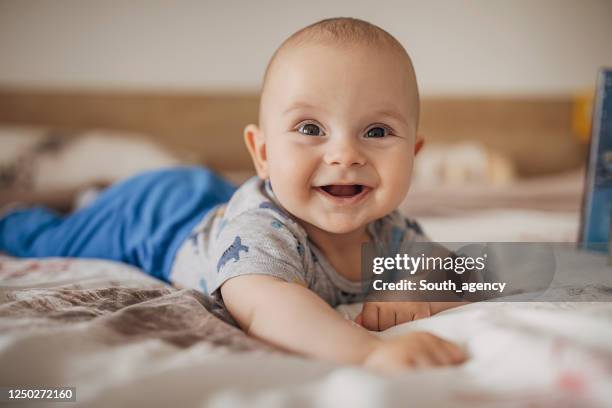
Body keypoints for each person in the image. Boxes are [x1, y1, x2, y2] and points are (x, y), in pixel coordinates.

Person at [0, 17, 467, 372]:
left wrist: (415, 286)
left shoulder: (389, 229)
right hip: (156, 216)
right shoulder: (263, 232)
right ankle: (28, 212)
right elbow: (268, 307)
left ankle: (90, 199)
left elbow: (468, 270)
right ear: (262, 152)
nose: (345, 154)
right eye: (310, 128)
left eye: (378, 130)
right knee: (43, 237)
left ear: (413, 154)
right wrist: (368, 352)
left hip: (218, 201)